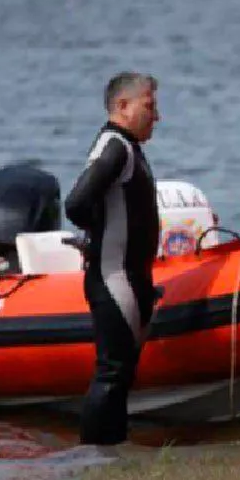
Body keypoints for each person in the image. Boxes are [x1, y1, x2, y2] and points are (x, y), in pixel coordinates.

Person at [65, 72, 161, 446]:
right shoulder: (115, 146)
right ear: (123, 106)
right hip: (113, 277)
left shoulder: (127, 146)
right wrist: (97, 237)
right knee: (112, 372)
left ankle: (113, 451)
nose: (157, 116)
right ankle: (94, 457)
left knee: (121, 374)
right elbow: (76, 202)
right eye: (149, 106)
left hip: (129, 277)